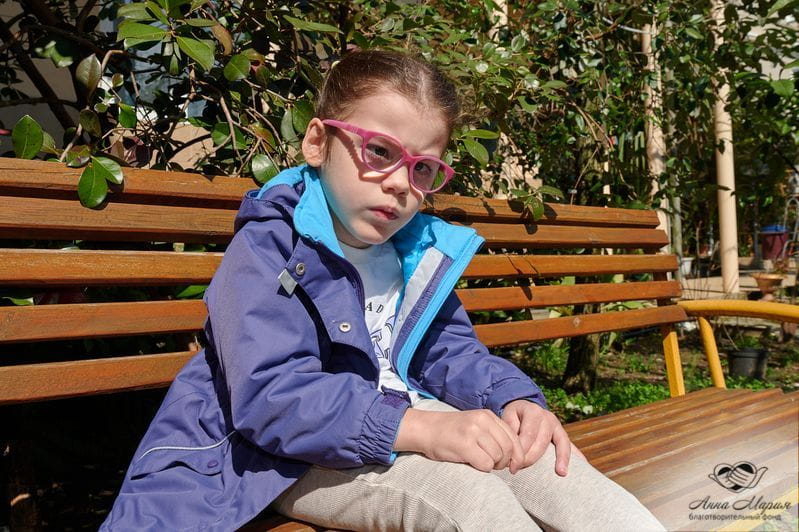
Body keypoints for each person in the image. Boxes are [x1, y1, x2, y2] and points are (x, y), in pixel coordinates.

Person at [101, 49, 665, 531]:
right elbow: (272, 396)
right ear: (318, 142)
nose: (400, 184)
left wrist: (513, 399)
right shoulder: (271, 248)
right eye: (379, 151)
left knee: (553, 468)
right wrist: (419, 428)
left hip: (405, 425)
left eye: (423, 169)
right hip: (283, 457)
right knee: (469, 499)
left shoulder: (412, 250)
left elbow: (450, 352)